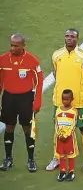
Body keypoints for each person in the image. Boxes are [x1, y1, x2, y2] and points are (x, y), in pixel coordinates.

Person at [46, 28, 83, 175]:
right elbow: (55, 73)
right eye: (67, 36)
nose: (69, 39)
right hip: (60, 101)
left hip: (79, 101)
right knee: (59, 129)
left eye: (72, 37)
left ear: (77, 39)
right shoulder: (57, 55)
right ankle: (57, 157)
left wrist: (82, 91)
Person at [0, 34, 43, 172]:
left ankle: (31, 160)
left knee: (28, 129)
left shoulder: (32, 61)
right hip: (8, 98)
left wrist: (37, 101)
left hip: (26, 98)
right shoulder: (3, 60)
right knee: (9, 127)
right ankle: (8, 159)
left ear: (23, 46)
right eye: (11, 45)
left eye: (15, 46)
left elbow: (39, 82)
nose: (12, 48)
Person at [54, 89, 78, 182]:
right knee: (62, 155)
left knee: (71, 155)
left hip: (69, 138)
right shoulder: (58, 110)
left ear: (72, 99)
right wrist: (59, 134)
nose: (65, 101)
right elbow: (56, 123)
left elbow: (73, 125)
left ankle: (71, 171)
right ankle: (62, 171)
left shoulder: (73, 111)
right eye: (63, 99)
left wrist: (66, 135)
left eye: (67, 99)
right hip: (60, 138)